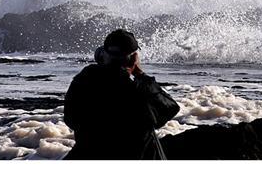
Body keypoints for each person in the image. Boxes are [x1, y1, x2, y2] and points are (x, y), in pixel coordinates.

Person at [63, 28, 180, 159]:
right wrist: (140, 75)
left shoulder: (83, 80)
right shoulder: (137, 90)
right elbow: (170, 108)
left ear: (104, 54)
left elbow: (70, 119)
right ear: (133, 58)